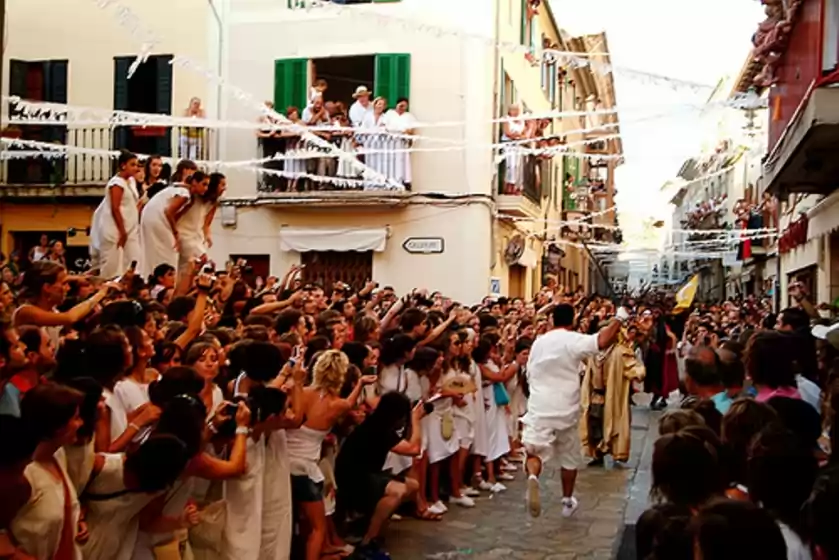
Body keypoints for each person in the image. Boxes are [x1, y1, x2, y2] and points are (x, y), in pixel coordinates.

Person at [522, 303, 624, 518]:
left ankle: (532, 477)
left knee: (534, 452)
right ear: (573, 320)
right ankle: (567, 500)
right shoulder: (572, 339)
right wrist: (619, 319)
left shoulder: (539, 343)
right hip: (566, 407)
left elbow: (529, 373)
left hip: (540, 405)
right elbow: (602, 341)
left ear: (552, 320)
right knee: (568, 457)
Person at [335, 391, 424, 559]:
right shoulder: (378, 428)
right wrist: (416, 420)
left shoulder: (380, 424)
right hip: (353, 478)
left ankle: (373, 524)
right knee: (396, 493)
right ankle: (369, 540)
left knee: (413, 487)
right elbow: (414, 450)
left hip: (368, 474)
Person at [580, 319, 646, 466]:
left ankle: (611, 451)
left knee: (610, 425)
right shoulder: (592, 352)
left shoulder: (620, 352)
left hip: (612, 396)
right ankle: (597, 454)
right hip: (594, 395)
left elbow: (633, 366)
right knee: (594, 424)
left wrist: (638, 373)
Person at [139, 170, 208, 278]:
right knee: (170, 252)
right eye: (204, 184)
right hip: (157, 219)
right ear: (194, 182)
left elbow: (175, 215)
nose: (206, 188)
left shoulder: (182, 191)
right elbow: (169, 212)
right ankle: (162, 279)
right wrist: (175, 233)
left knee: (160, 252)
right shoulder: (184, 194)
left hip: (151, 217)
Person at [89, 150, 142, 278]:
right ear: (123, 165)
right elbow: (115, 208)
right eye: (133, 164)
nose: (136, 168)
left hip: (131, 229)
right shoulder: (116, 184)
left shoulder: (132, 182)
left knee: (134, 262)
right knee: (113, 267)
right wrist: (122, 231)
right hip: (115, 230)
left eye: (137, 165)